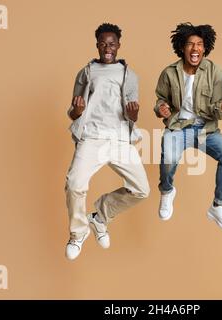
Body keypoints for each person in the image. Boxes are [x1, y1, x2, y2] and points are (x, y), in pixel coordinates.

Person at [64, 23, 149, 260]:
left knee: (142, 190)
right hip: (92, 137)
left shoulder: (130, 76)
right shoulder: (87, 72)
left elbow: (132, 112)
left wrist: (134, 117)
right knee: (74, 184)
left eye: (112, 44)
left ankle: (100, 217)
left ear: (119, 45)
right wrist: (77, 112)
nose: (107, 48)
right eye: (103, 43)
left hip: (120, 139)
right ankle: (78, 233)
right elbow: (74, 111)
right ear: (97, 45)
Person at [154, 22, 222, 231]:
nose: (195, 49)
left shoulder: (214, 71)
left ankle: (218, 207)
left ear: (205, 48)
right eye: (190, 44)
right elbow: (160, 100)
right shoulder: (169, 73)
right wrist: (161, 109)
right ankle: (167, 191)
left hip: (205, 129)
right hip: (178, 127)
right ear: (182, 47)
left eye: (200, 44)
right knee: (169, 157)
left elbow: (221, 111)